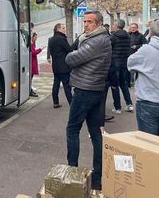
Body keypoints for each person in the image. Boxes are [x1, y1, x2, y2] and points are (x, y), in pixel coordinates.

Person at [65, 10, 111, 191]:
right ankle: (98, 175)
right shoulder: (100, 39)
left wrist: (74, 54)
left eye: (89, 22)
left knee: (72, 129)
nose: (85, 25)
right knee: (95, 132)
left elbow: (72, 58)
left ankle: (72, 171)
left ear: (98, 23)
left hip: (85, 89)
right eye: (84, 21)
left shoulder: (97, 40)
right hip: (95, 89)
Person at [110, 19, 134, 114]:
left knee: (114, 85)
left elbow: (109, 48)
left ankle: (117, 107)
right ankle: (129, 104)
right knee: (123, 84)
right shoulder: (128, 36)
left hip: (115, 63)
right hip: (124, 63)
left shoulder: (113, 37)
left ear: (116, 25)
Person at [47, 23, 73, 108]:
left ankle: (55, 102)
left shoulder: (51, 39)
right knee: (67, 85)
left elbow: (50, 51)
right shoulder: (61, 39)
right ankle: (72, 103)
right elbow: (69, 49)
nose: (64, 29)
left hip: (55, 66)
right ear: (58, 29)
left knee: (56, 84)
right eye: (63, 28)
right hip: (64, 66)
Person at [30, 32, 42, 97]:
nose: (36, 38)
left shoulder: (33, 44)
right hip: (31, 62)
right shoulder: (31, 44)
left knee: (31, 77)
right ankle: (30, 90)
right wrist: (40, 49)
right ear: (32, 37)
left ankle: (30, 90)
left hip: (33, 61)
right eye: (35, 37)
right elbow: (33, 53)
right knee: (30, 77)